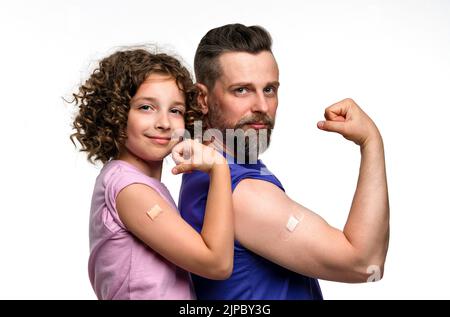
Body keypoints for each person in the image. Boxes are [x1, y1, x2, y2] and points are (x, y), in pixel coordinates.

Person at [179, 24, 390, 299]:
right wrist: (371, 142)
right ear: (202, 98)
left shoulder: (217, 170)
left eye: (269, 89)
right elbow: (365, 263)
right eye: (241, 90)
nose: (262, 107)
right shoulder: (240, 192)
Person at [70, 48, 234, 299]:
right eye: (146, 107)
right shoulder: (130, 189)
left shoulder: (134, 183)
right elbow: (217, 264)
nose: (165, 123)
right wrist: (219, 169)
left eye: (176, 110)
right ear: (116, 113)